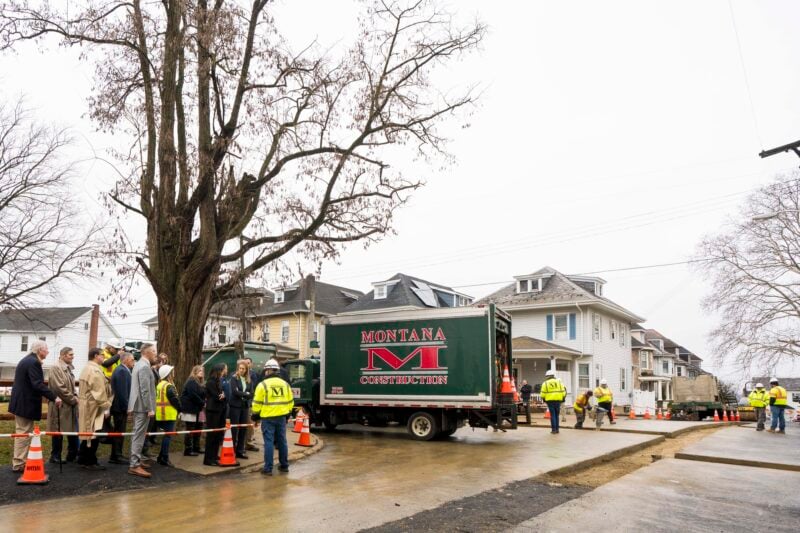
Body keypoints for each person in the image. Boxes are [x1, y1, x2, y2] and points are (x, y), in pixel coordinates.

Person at [8, 340, 57, 472]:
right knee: (23, 433)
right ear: (40, 350)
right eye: (46, 349)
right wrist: (54, 397)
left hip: (21, 402)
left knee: (23, 432)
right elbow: (37, 384)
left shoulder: (27, 360)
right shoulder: (33, 362)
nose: (48, 351)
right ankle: (19, 464)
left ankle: (20, 462)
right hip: (25, 403)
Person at [251, 359, 294, 476]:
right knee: (282, 441)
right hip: (281, 417)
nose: (265, 372)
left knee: (269, 442)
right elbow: (290, 401)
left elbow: (256, 404)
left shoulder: (262, 385)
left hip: (268, 417)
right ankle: (284, 465)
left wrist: (255, 415)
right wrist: (288, 413)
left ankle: (268, 468)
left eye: (266, 370)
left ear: (269, 370)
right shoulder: (285, 384)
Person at [77, 348, 113, 470]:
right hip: (93, 407)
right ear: (96, 356)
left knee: (88, 433)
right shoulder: (94, 371)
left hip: (86, 404)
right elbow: (99, 392)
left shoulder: (87, 368)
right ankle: (89, 461)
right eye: (102, 355)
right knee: (93, 434)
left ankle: (82, 458)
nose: (104, 358)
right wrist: (107, 407)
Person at [128, 342, 157, 478]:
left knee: (137, 434)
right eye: (154, 351)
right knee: (139, 435)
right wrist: (149, 408)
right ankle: (134, 465)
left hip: (138, 405)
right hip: (142, 407)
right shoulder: (144, 367)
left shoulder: (139, 365)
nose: (155, 354)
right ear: (146, 352)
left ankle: (136, 461)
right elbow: (145, 390)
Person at [46, 347, 79, 464]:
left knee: (71, 429)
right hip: (60, 405)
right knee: (58, 430)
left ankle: (72, 455)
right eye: (70, 355)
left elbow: (71, 386)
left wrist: (75, 395)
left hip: (68, 405)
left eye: (72, 354)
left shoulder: (68, 368)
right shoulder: (56, 367)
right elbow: (59, 387)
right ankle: (55, 456)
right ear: (63, 355)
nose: (72, 356)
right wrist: (73, 399)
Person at [109, 352, 135, 464]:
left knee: (120, 431)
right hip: (119, 407)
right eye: (132, 360)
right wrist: (127, 408)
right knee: (119, 431)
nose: (134, 362)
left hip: (119, 407)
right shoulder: (122, 371)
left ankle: (116, 454)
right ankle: (116, 456)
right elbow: (122, 392)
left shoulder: (122, 370)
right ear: (125, 360)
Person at [155, 365, 182, 467]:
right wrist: (180, 409)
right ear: (168, 374)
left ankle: (160, 456)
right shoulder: (169, 386)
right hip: (169, 414)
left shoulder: (160, 384)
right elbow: (174, 400)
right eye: (171, 372)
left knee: (166, 436)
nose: (173, 373)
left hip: (160, 414)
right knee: (167, 436)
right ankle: (165, 458)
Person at [203, 363, 229, 466]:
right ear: (220, 370)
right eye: (225, 369)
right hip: (213, 411)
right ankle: (208, 459)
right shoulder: (211, 382)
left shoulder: (219, 381)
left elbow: (224, 396)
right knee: (212, 435)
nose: (226, 371)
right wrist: (222, 396)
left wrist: (223, 396)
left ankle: (214, 455)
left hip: (220, 410)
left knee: (217, 435)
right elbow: (217, 396)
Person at [229, 360, 253, 459]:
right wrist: (245, 394)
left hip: (245, 406)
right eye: (240, 368)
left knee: (243, 428)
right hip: (235, 406)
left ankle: (240, 450)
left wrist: (244, 394)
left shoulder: (249, 380)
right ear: (237, 369)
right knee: (234, 429)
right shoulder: (234, 378)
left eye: (243, 369)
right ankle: (232, 449)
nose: (241, 370)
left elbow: (251, 393)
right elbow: (235, 392)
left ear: (246, 370)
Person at [180, 365, 206, 456]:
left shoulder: (201, 383)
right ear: (194, 372)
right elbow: (193, 395)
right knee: (190, 429)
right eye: (199, 371)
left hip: (198, 409)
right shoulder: (191, 381)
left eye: (202, 371)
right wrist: (203, 403)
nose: (201, 372)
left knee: (198, 428)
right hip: (189, 409)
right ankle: (188, 449)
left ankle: (196, 447)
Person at [541, 370, 566, 434]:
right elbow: (563, 392)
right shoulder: (559, 382)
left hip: (550, 401)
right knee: (557, 415)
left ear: (547, 376)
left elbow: (542, 394)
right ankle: (557, 429)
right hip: (558, 400)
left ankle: (554, 430)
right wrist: (562, 398)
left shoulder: (545, 383)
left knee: (552, 415)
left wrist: (544, 399)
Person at [243, 357, 260, 453]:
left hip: (250, 402)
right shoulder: (237, 375)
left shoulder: (254, 375)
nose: (247, 365)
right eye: (245, 363)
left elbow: (255, 388)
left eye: (248, 363)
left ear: (251, 364)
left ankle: (249, 443)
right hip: (242, 403)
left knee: (250, 424)